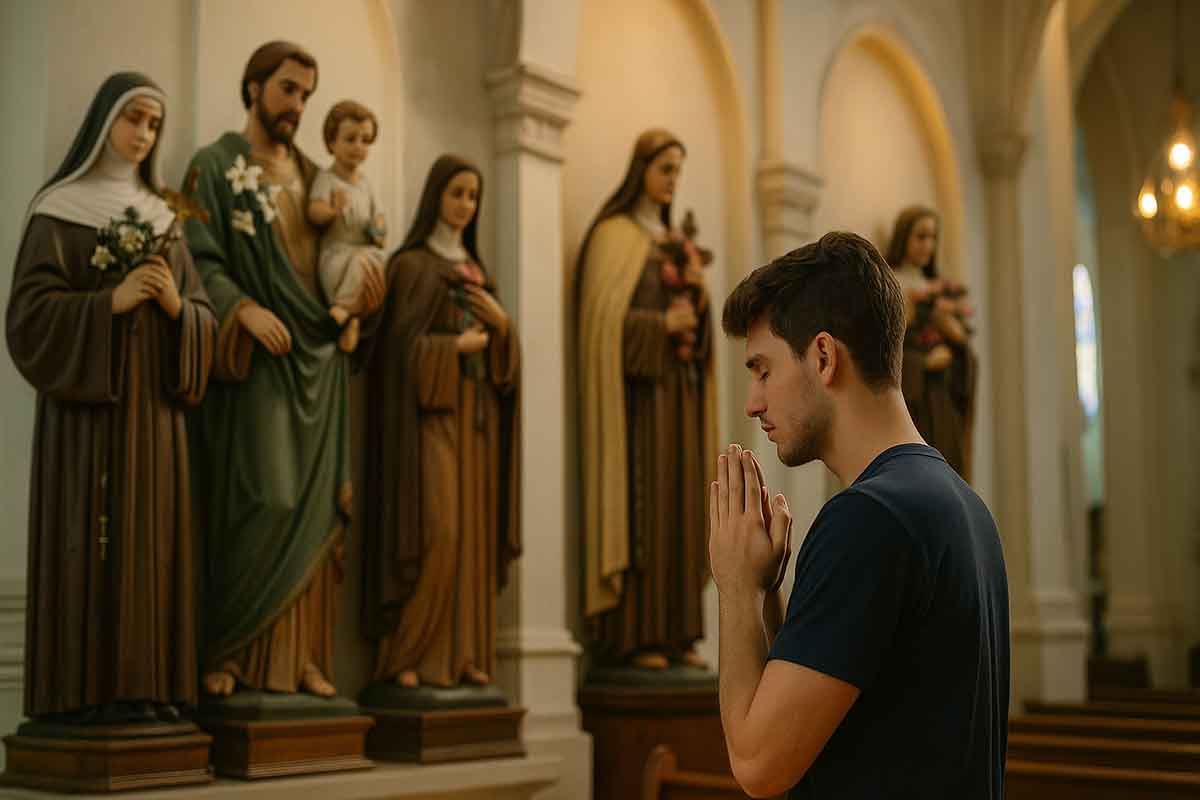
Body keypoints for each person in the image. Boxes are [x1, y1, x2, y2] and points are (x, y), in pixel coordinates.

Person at [711, 231, 1009, 798]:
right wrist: (766, 594)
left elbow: (757, 763)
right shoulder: (961, 504)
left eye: (763, 370)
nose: (753, 402)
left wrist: (733, 585)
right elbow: (852, 718)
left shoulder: (869, 519)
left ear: (823, 357)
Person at [7, 71, 215, 722]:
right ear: (105, 121)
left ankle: (147, 690)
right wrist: (108, 305)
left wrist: (178, 307)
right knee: (86, 538)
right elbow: (28, 318)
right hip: (86, 419)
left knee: (151, 544)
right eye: (133, 118)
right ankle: (79, 697)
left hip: (153, 418)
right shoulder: (60, 208)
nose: (144, 134)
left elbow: (203, 321)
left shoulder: (165, 218)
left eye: (154, 124)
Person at [183, 41, 385, 699]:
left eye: (306, 94)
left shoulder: (316, 175)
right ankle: (231, 649)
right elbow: (198, 258)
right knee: (267, 497)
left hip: (319, 356)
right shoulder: (215, 166)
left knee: (318, 508)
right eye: (288, 89)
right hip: (261, 358)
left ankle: (301, 662)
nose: (298, 105)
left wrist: (363, 297)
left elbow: (344, 251)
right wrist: (240, 309)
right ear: (254, 87)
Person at [363, 154, 521, 689]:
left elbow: (504, 367)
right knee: (439, 531)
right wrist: (452, 349)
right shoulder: (410, 267)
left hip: (477, 424)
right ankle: (406, 657)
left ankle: (462, 654)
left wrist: (503, 329)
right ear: (436, 195)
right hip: (428, 426)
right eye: (457, 193)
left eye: (473, 196)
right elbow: (392, 359)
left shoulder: (478, 273)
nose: (465, 205)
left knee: (473, 539)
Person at [576, 128, 717, 670]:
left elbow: (700, 333)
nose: (672, 179)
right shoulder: (613, 237)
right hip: (637, 407)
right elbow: (601, 328)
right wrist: (661, 326)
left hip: (679, 398)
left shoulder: (675, 242)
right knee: (646, 507)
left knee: (682, 504)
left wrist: (698, 302)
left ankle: (679, 633)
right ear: (641, 170)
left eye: (678, 170)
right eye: (664, 168)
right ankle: (639, 636)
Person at [884, 206, 977, 478]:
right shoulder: (890, 283)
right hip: (914, 395)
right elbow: (886, 346)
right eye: (921, 236)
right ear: (903, 237)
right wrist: (922, 363)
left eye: (933, 237)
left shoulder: (937, 288)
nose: (928, 245)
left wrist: (953, 338)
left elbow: (961, 342)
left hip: (941, 394)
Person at [308, 99, 387, 353]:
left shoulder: (366, 184)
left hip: (361, 258)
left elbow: (379, 222)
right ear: (331, 142)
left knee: (381, 260)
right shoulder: (327, 179)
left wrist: (378, 229)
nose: (358, 147)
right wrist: (332, 211)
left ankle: (350, 319)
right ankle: (342, 310)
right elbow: (314, 211)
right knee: (363, 262)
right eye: (350, 139)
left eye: (365, 140)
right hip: (338, 258)